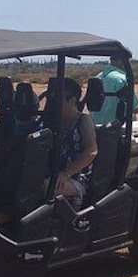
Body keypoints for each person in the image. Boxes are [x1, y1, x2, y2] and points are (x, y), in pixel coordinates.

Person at [57, 78, 98, 208]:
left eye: (59, 100)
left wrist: (66, 173)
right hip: (55, 174)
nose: (54, 103)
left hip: (76, 178)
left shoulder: (83, 121)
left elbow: (92, 151)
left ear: (72, 100)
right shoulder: (54, 121)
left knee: (38, 190)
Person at [89, 55, 138, 125]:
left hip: (96, 127)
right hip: (116, 128)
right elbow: (135, 109)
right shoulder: (122, 79)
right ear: (122, 61)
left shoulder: (97, 77)